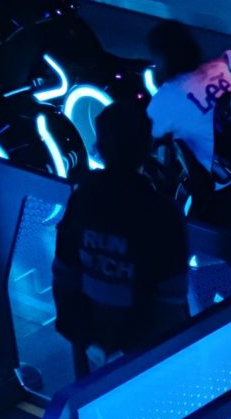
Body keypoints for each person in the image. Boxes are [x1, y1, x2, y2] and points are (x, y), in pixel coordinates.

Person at [50, 102, 191, 364]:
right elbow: (171, 297)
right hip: (148, 351)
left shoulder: (82, 198)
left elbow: (65, 271)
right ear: (148, 147)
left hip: (93, 339)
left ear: (99, 148)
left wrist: (83, 335)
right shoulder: (162, 212)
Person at [145, 20, 231, 176]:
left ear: (161, 58)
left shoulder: (165, 100)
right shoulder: (219, 68)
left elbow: (144, 137)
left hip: (221, 177)